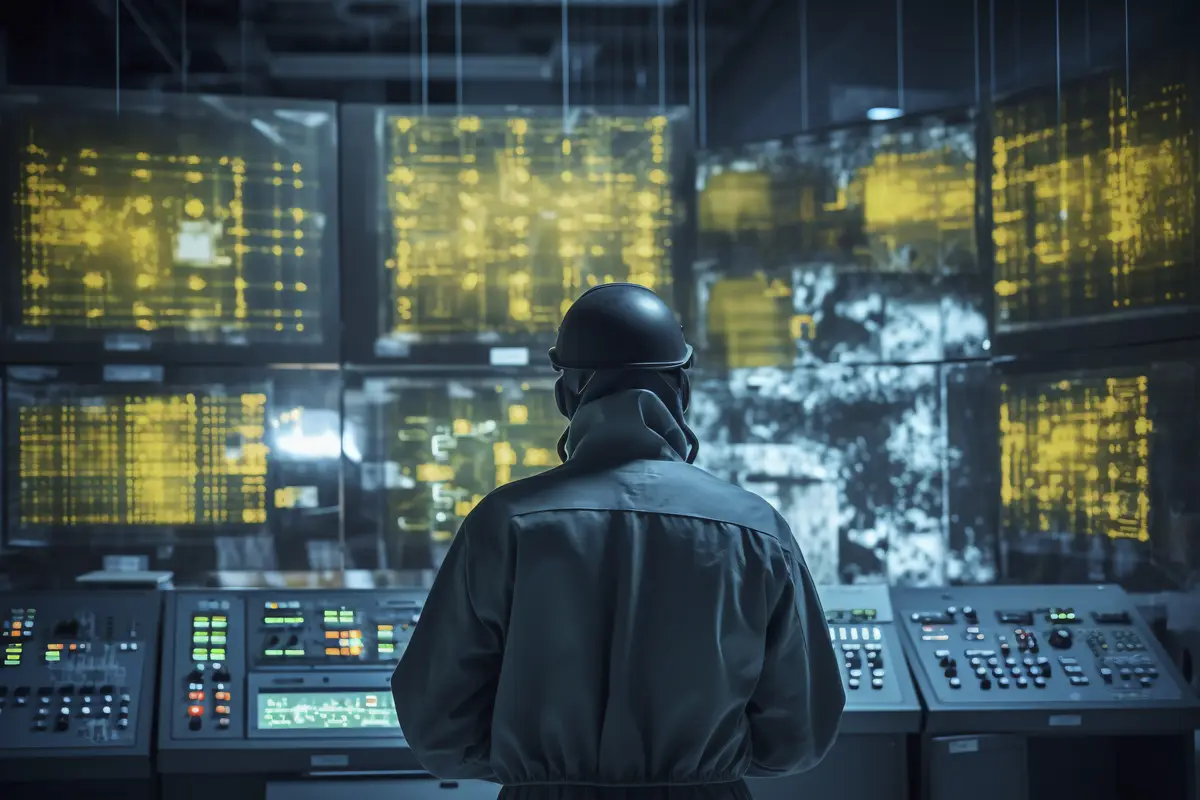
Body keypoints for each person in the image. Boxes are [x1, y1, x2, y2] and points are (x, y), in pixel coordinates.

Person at [393, 283, 845, 799]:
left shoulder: (502, 523)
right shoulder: (755, 530)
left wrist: (541, 771)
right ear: (681, 391)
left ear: (568, 394)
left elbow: (437, 723)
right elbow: (800, 731)